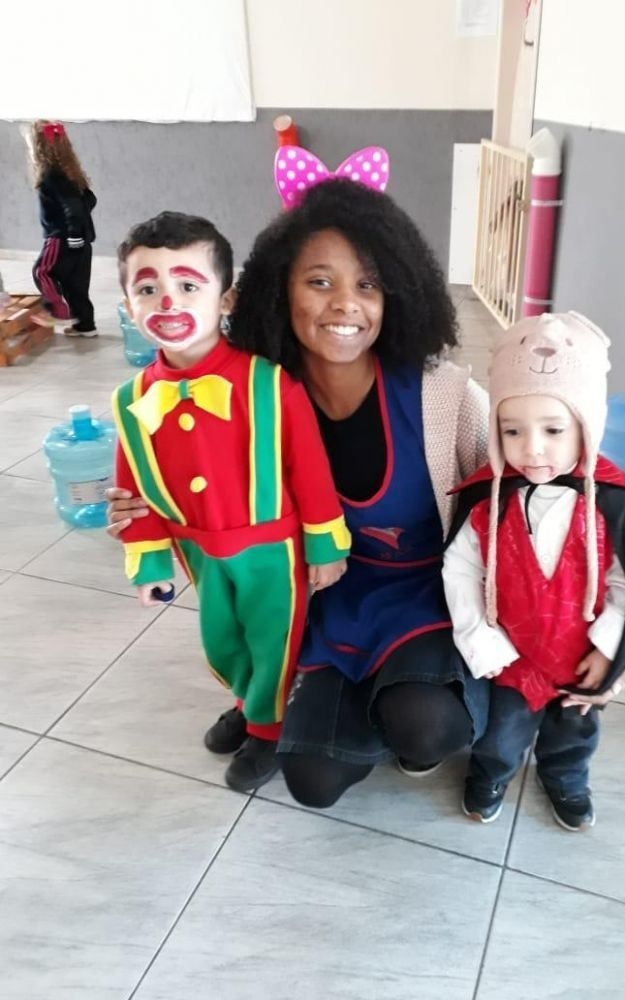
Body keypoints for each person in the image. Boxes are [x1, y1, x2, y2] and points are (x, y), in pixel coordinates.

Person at [108, 151, 492, 809]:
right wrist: (138, 513)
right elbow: (178, 470)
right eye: (319, 281)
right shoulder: (254, 392)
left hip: (424, 599)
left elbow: (511, 504)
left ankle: (409, 702)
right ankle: (330, 702)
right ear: (278, 289)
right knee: (312, 783)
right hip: (316, 602)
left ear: (396, 292)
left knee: (426, 728)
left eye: (368, 284)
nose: (345, 303)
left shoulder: (444, 396)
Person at [111, 211, 350, 793]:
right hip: (198, 549)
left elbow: (310, 469)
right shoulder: (131, 400)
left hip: (273, 550)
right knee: (222, 636)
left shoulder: (269, 383)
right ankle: (248, 702)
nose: (168, 301)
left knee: (274, 639)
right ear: (128, 305)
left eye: (188, 285)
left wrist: (325, 545)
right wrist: (149, 561)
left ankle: (269, 728)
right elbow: (132, 489)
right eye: (148, 289)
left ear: (226, 299)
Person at [443, 311, 625, 829]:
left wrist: (609, 649)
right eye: (512, 430)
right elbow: (460, 567)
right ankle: (491, 773)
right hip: (511, 653)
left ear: (587, 426)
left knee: (573, 730)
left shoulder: (611, 503)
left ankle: (565, 777)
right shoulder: (488, 499)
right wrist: (483, 644)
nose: (531, 447)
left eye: (554, 429)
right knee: (502, 731)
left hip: (579, 656)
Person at [27, 120, 97, 336]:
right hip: (82, 239)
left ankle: (57, 311)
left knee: (42, 271)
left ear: (38, 148)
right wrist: (80, 229)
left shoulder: (52, 174)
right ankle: (85, 326)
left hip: (61, 238)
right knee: (75, 283)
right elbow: (90, 199)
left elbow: (73, 207)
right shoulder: (71, 173)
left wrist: (73, 233)